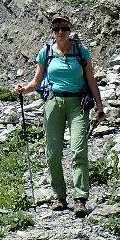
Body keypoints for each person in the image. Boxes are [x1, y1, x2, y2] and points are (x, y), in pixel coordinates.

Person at [14, 17, 105, 216]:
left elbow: (91, 79)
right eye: (56, 28)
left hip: (78, 104)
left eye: (64, 28)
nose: (60, 31)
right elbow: (36, 81)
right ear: (52, 31)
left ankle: (80, 198)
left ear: (69, 30)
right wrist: (24, 89)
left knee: (78, 149)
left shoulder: (81, 52)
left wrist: (99, 106)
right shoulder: (45, 53)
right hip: (53, 103)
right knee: (53, 151)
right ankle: (59, 197)